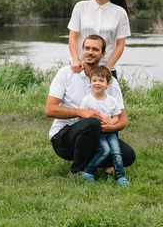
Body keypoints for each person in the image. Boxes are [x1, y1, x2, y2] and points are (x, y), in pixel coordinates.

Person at [45, 34, 135, 180]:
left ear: (103, 54)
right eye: (87, 48)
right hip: (64, 138)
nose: (90, 52)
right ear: (82, 50)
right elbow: (49, 110)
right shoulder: (66, 73)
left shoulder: (110, 81)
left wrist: (111, 127)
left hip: (98, 135)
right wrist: (82, 112)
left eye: (95, 49)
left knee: (128, 156)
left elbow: (123, 120)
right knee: (92, 122)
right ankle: (75, 171)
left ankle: (96, 163)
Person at [68, 0, 130, 79]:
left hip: (106, 69)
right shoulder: (80, 7)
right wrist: (76, 60)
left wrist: (108, 67)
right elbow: (73, 37)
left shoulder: (120, 12)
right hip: (81, 68)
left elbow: (120, 45)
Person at [80, 66, 129, 185]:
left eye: (101, 81)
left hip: (109, 131)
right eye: (94, 80)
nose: (97, 83)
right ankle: (88, 171)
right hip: (97, 133)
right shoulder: (87, 100)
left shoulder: (112, 101)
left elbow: (117, 116)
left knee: (116, 151)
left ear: (107, 84)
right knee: (104, 150)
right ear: (90, 82)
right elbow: (82, 117)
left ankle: (120, 176)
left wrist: (110, 124)